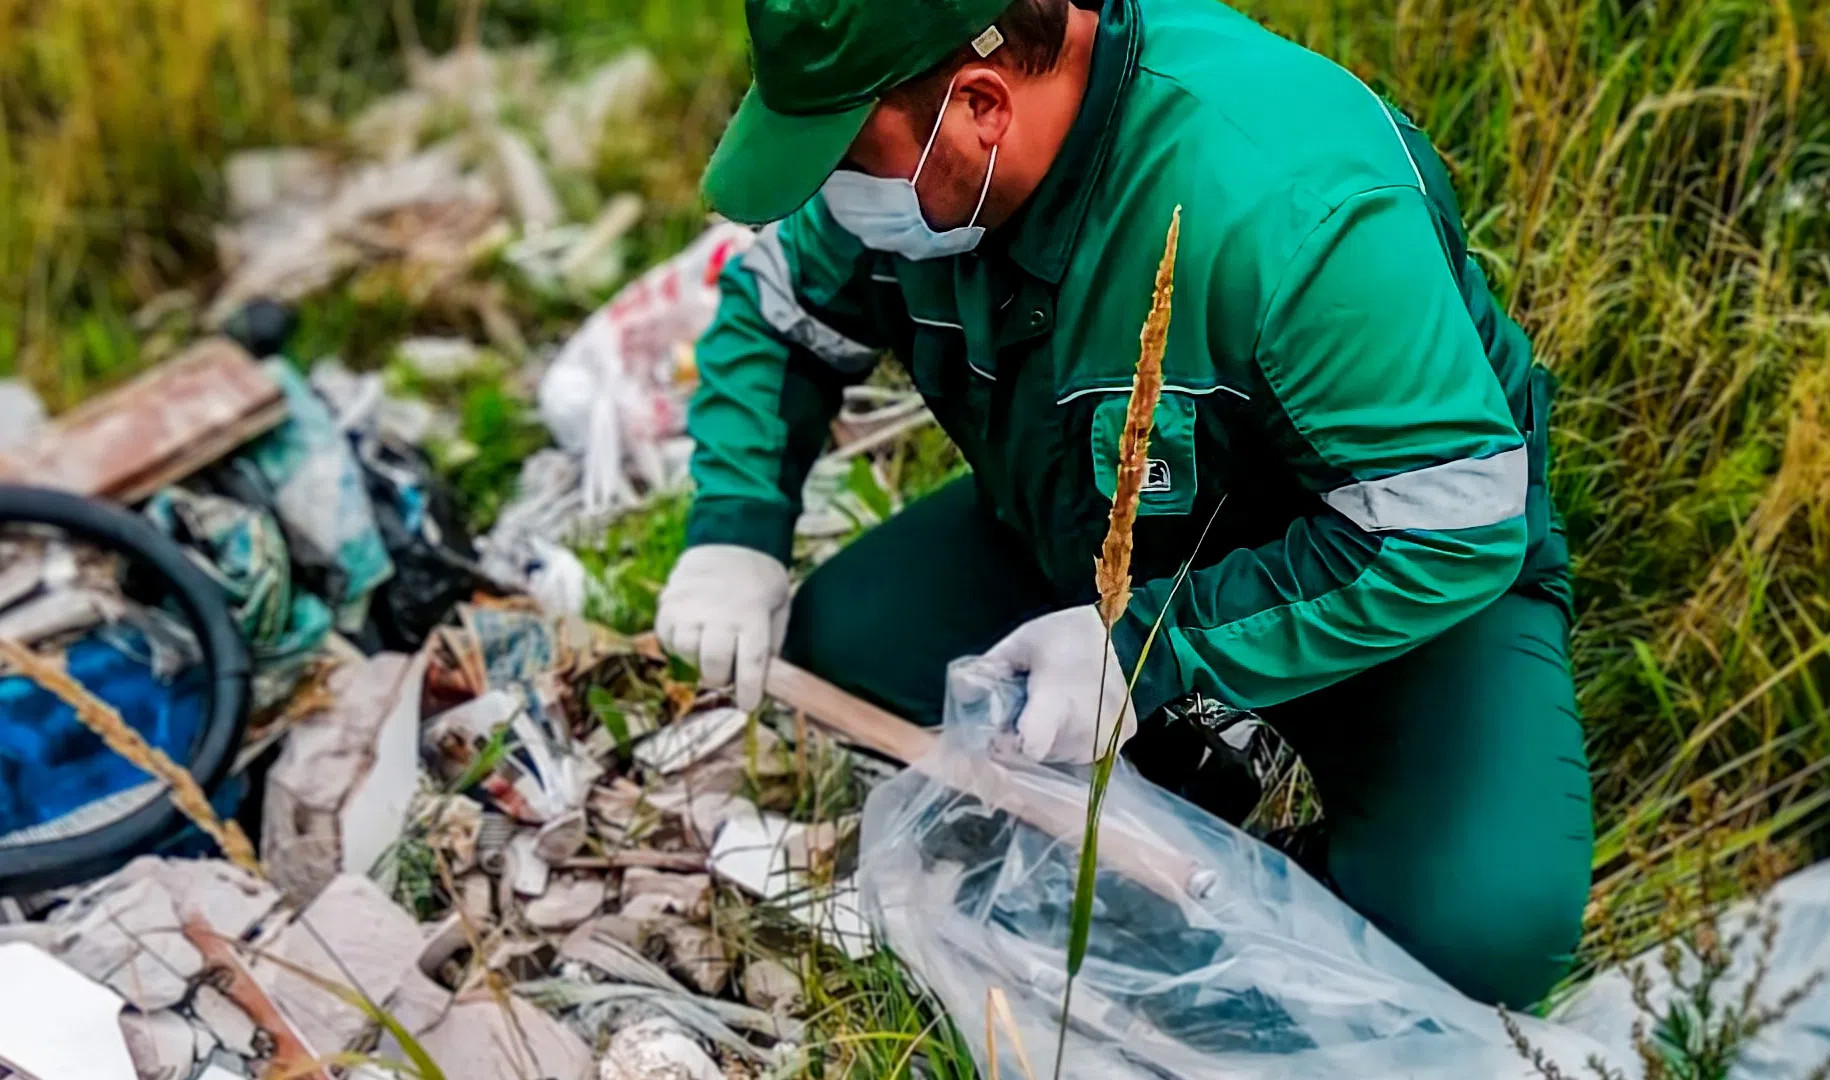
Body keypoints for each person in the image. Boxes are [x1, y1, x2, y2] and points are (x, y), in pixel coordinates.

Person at [653, 0, 1593, 1008]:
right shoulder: (902, 153)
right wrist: (736, 532)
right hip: (1082, 536)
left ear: (980, 104)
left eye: (844, 157)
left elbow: (1447, 526)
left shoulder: (1287, 204)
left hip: (1374, 579)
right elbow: (777, 318)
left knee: (1483, 928)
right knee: (845, 655)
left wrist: (1143, 649)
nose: (830, 195)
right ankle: (1175, 765)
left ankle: (1254, 818)